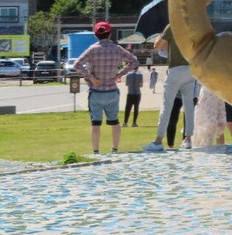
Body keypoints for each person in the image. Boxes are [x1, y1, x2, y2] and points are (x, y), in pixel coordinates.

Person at [74, 21, 139, 155]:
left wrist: (91, 77)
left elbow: (77, 65)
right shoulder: (117, 49)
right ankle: (114, 149)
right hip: (112, 91)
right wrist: (119, 74)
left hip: (96, 91)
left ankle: (96, 152)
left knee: (96, 124)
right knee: (115, 122)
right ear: (110, 34)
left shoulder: (92, 49)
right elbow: (134, 61)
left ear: (96, 35)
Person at [143, 24, 197, 152]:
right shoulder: (192, 26)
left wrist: (161, 35)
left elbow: (157, 46)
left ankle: (158, 141)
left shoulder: (172, 26)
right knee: (189, 106)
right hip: (190, 68)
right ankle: (188, 139)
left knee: (166, 106)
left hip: (175, 69)